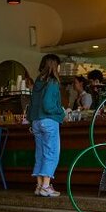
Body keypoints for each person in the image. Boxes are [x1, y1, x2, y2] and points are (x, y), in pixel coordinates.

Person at [29, 54, 64, 197]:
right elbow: (48, 105)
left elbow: (32, 105)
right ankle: (46, 186)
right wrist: (60, 111)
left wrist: (31, 121)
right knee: (51, 154)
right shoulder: (53, 82)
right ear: (55, 66)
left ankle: (38, 185)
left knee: (40, 154)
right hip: (49, 121)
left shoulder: (38, 82)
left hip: (36, 121)